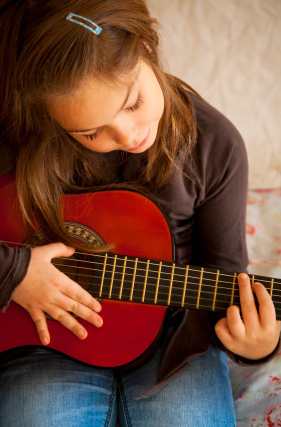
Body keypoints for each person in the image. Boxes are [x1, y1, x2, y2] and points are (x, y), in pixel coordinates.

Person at [0, 1, 279, 426]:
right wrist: (15, 271)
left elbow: (227, 281)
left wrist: (255, 345)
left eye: (132, 103)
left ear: (148, 47)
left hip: (177, 342)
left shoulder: (215, 144)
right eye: (91, 131)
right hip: (45, 340)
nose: (129, 134)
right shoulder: (18, 137)